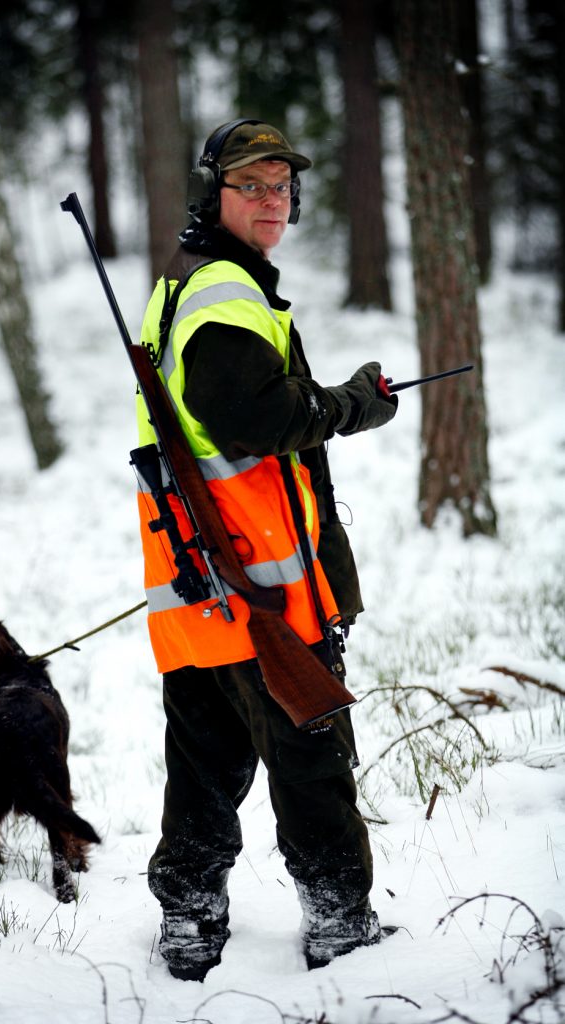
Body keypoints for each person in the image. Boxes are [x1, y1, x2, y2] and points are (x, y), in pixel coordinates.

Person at [134, 119, 398, 981]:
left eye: (281, 186)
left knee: (204, 761)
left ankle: (189, 917)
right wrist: (351, 404)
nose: (270, 200)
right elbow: (249, 415)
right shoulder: (226, 295)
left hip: (195, 584)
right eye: (251, 184)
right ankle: (339, 925)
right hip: (262, 584)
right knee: (309, 757)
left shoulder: (178, 289)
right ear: (215, 195)